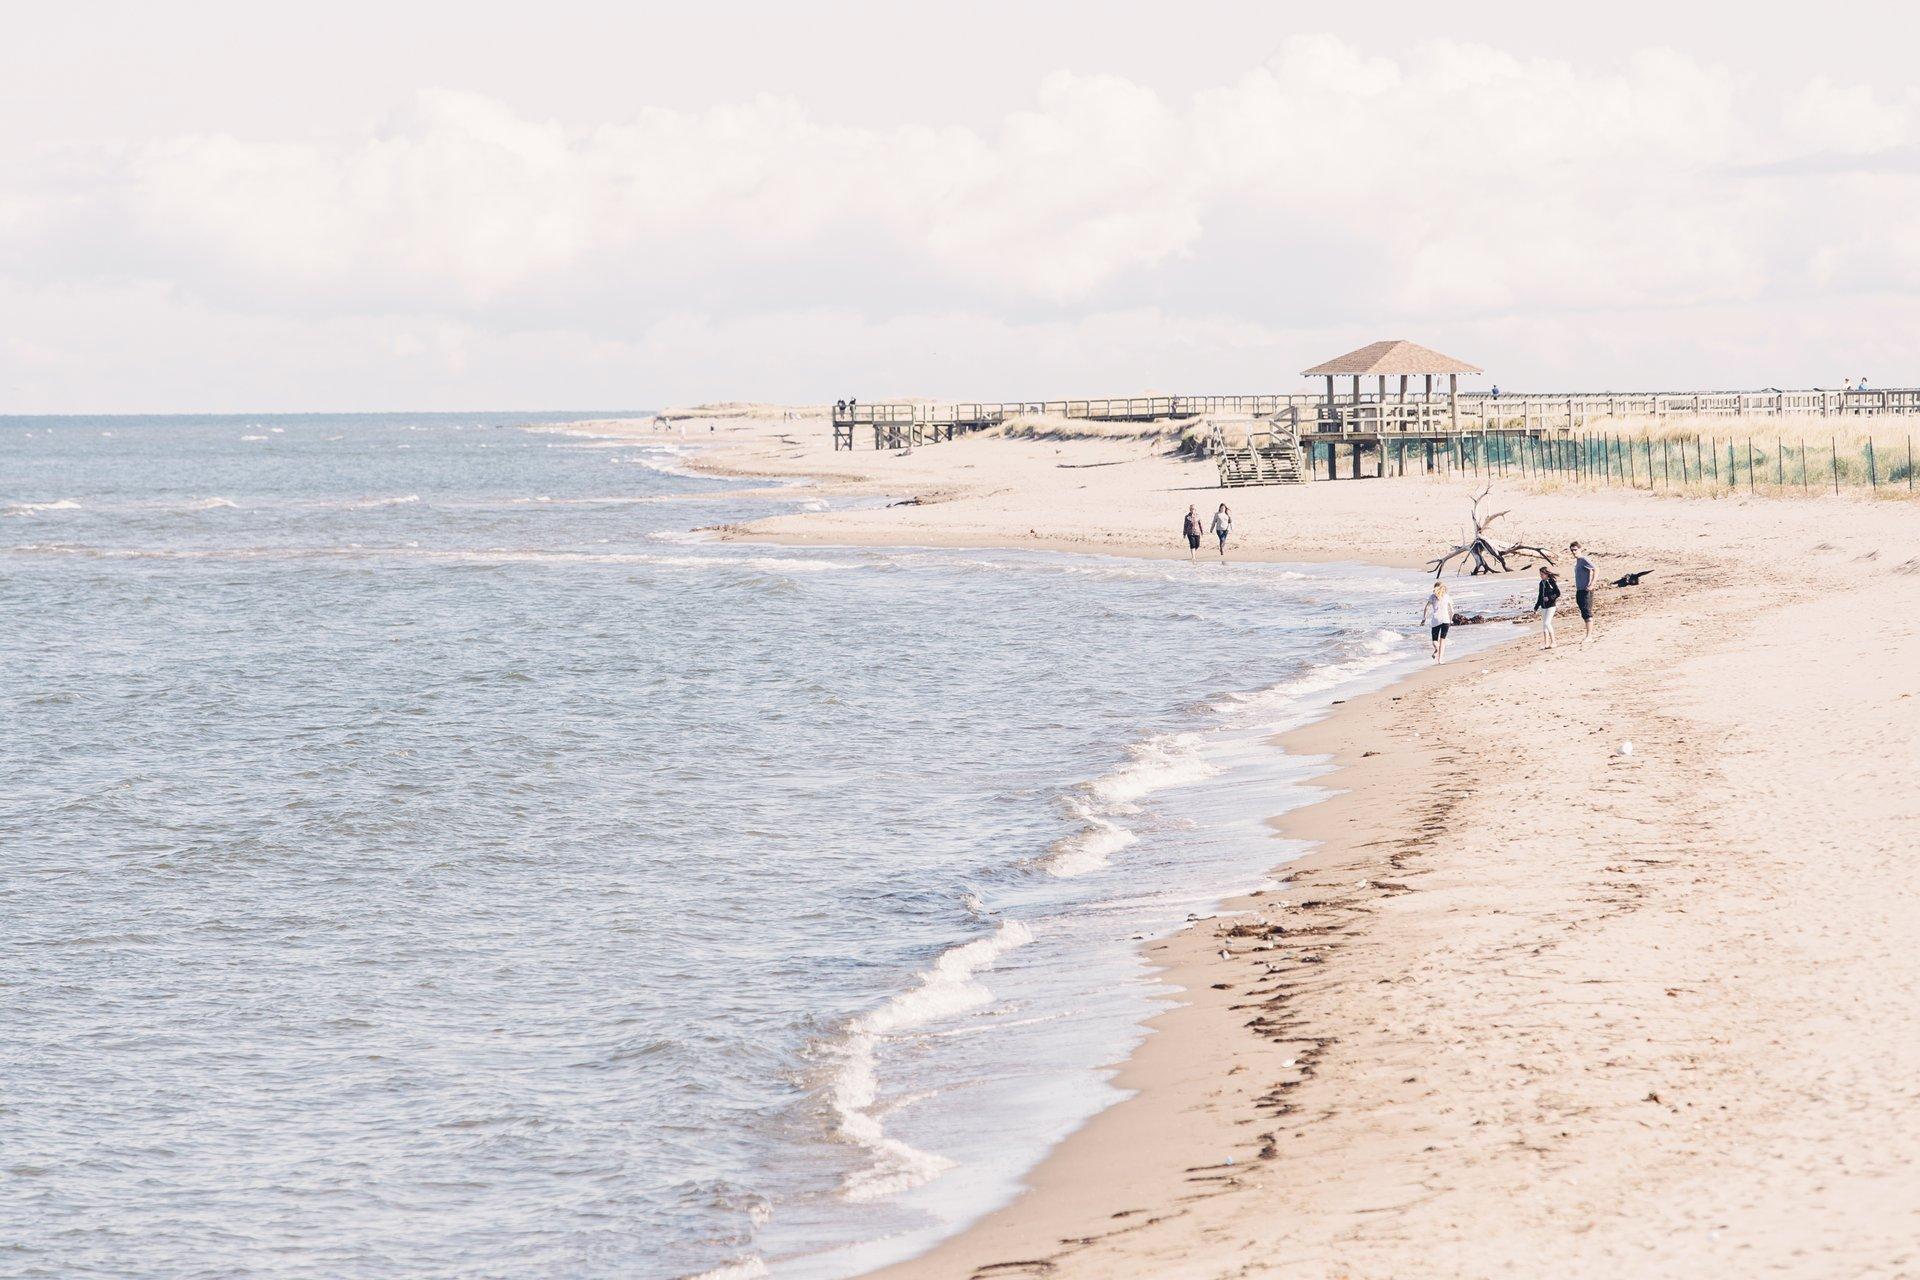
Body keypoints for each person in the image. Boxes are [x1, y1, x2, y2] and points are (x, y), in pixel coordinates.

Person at [1570, 541, 1597, 643]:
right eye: (1572, 550)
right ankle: (1588, 635)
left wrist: (1592, 584)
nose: (1573, 552)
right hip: (1580, 591)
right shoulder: (1578, 561)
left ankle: (1589, 636)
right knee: (1584, 613)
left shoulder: (1583, 559)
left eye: (1575, 550)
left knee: (1587, 613)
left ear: (1580, 549)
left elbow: (1596, 569)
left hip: (1586, 591)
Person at [1421, 580, 1453, 661]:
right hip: (1446, 620)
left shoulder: (1432, 596)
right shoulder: (1447, 596)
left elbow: (1426, 608)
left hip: (1436, 620)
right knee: (1443, 640)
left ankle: (1437, 649)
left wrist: (1424, 619)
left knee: (1435, 640)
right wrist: (1451, 619)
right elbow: (1452, 610)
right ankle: (1440, 660)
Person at [1533, 565, 1561, 649]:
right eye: (1540, 574)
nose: (1541, 576)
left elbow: (1558, 593)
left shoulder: (1551, 581)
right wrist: (1536, 607)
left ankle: (1554, 642)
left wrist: (1549, 598)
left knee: (1547, 623)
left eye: (1542, 574)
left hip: (1551, 606)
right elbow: (1540, 595)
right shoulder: (1541, 583)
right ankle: (1546, 643)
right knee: (1544, 625)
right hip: (1543, 606)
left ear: (1546, 574)